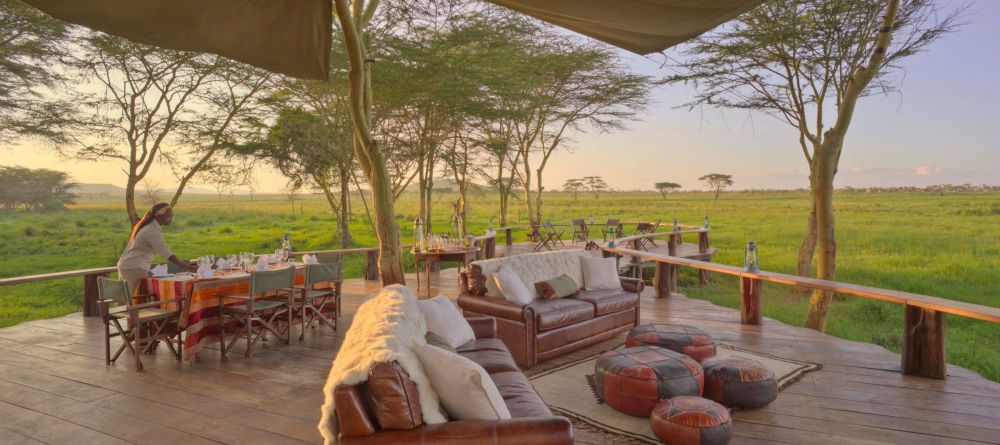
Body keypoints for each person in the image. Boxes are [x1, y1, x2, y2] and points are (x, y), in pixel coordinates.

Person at [117, 202, 195, 294]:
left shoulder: (150, 227)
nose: (170, 220)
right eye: (168, 217)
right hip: (133, 267)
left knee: (129, 298)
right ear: (158, 216)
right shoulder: (151, 230)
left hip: (129, 266)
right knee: (134, 299)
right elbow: (166, 253)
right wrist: (185, 267)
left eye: (172, 217)